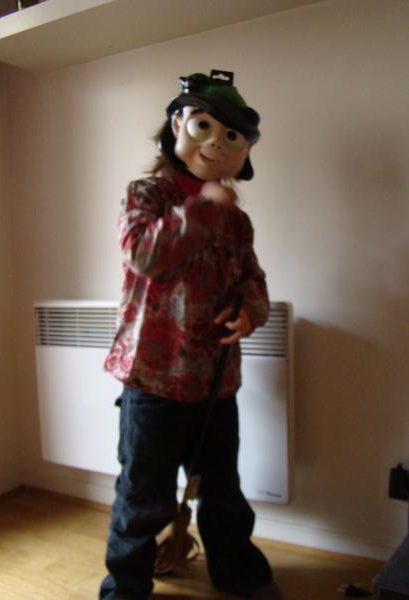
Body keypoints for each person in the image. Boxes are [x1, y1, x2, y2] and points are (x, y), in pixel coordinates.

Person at [99, 70, 281, 600]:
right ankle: (126, 586)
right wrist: (202, 206)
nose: (216, 144)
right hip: (153, 380)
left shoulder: (237, 222)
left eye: (232, 137)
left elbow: (253, 279)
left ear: (244, 152)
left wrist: (250, 308)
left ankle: (238, 571)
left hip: (216, 383)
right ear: (178, 126)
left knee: (222, 491)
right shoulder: (146, 195)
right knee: (143, 496)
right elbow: (143, 255)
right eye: (205, 127)